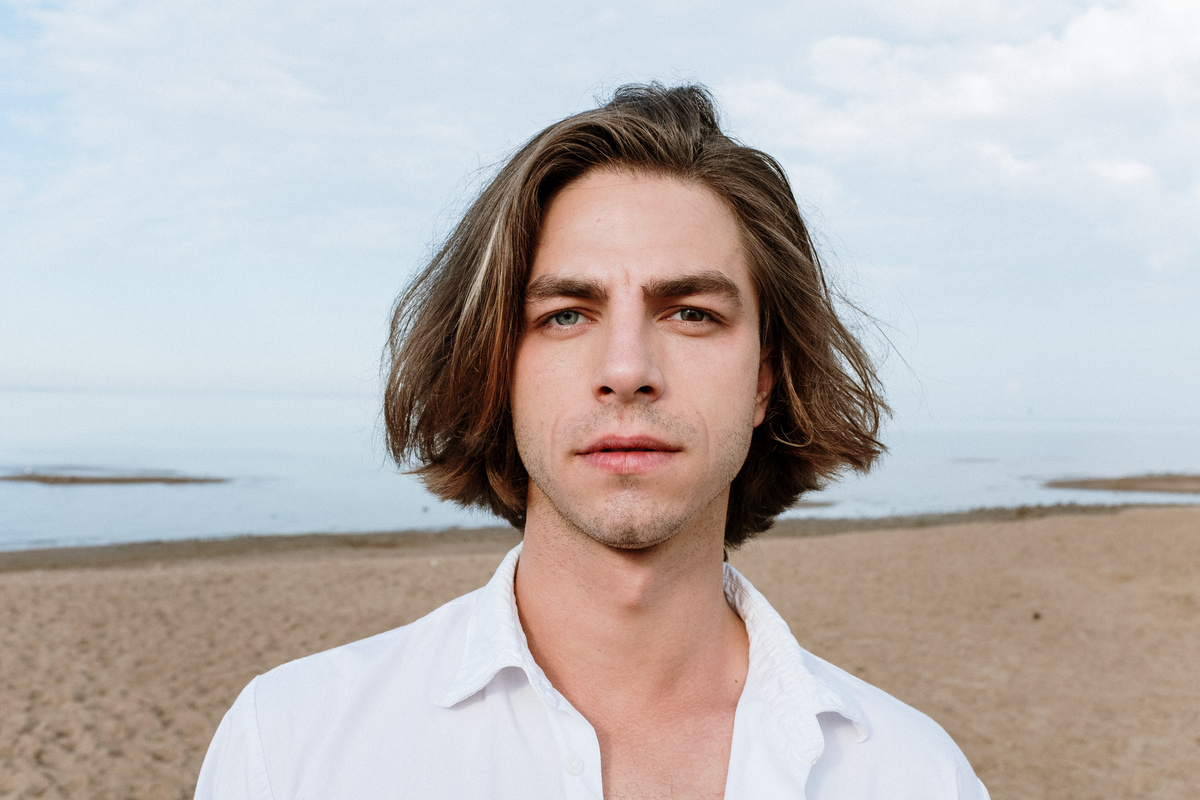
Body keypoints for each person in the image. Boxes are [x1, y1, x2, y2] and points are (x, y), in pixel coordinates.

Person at [196, 83, 989, 799]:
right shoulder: (292, 747)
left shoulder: (915, 775)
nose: (626, 371)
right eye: (565, 315)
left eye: (692, 313)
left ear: (764, 381)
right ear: (495, 369)